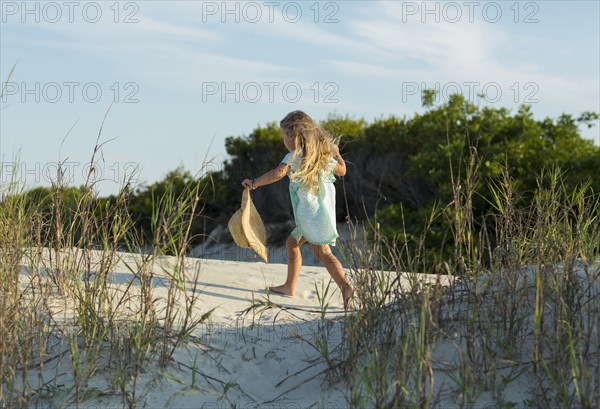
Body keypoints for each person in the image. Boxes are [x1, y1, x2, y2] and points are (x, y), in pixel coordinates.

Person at [241, 110, 354, 310]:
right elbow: (343, 170)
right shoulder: (323, 156)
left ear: (293, 137)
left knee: (323, 253)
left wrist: (254, 183)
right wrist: (336, 154)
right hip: (320, 213)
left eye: (284, 135)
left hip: (309, 215)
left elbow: (278, 173)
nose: (283, 140)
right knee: (292, 243)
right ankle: (289, 286)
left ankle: (345, 286)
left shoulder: (294, 155)